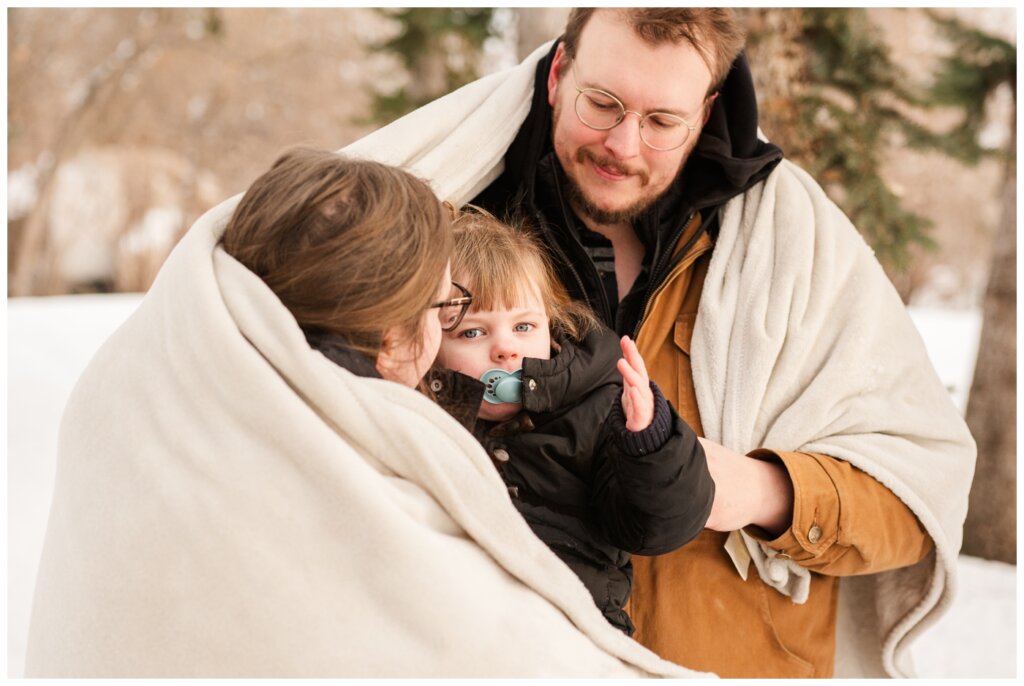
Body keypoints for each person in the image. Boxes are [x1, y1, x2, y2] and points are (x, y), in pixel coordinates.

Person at [339, 7, 976, 679]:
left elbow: (918, 495)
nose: (623, 144)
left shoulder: (803, 249)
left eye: (662, 121)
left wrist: (761, 491)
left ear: (705, 112)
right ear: (559, 72)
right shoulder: (444, 212)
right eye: (603, 104)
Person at [23, 147, 696, 677]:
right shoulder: (362, 478)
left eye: (523, 326)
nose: (493, 344)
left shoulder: (152, 390)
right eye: (450, 315)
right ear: (396, 343)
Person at [433, 207, 712, 635]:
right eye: (473, 333)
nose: (506, 349)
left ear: (551, 328)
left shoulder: (596, 409)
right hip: (457, 621)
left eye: (524, 326)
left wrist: (651, 440)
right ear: (429, 347)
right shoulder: (426, 418)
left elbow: (660, 525)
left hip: (576, 629)